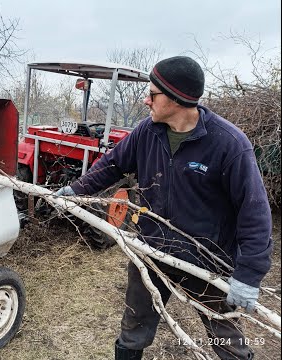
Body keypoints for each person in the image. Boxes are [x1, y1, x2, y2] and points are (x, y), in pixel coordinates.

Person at [55, 56, 273, 360]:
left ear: (177, 98)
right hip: (152, 251)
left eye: (153, 93)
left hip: (207, 259)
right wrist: (75, 191)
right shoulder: (147, 132)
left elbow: (255, 214)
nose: (146, 100)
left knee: (228, 343)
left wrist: (248, 275)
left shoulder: (228, 144)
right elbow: (112, 165)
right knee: (133, 329)